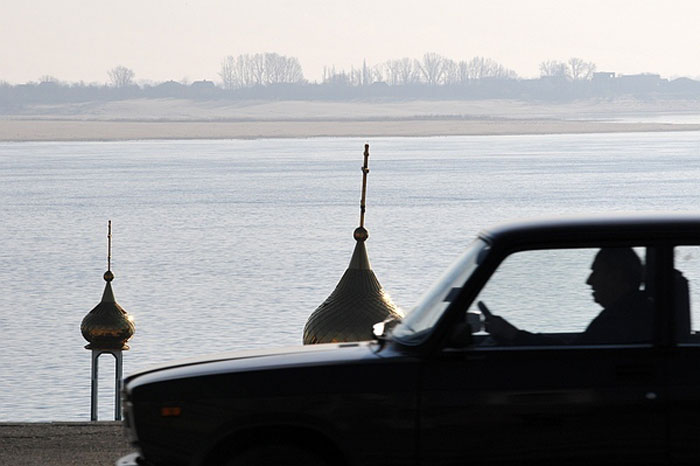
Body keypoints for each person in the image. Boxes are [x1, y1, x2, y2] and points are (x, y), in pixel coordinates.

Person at [482, 247, 653, 345]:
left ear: (615, 276)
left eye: (596, 272)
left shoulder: (619, 320)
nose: (589, 281)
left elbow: (572, 356)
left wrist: (513, 335)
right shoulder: (628, 311)